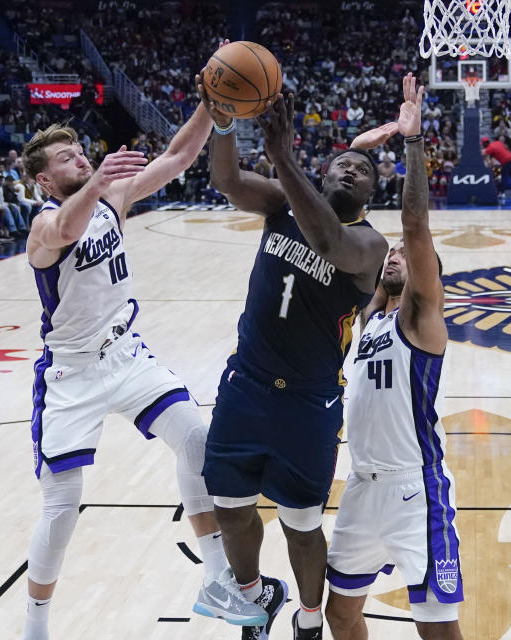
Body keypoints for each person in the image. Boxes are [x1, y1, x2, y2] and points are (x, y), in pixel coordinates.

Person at [18, 62, 267, 640]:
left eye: (79, 151)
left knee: (198, 440)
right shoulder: (44, 222)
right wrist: (100, 183)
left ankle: (215, 580)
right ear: (43, 182)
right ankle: (35, 626)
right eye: (64, 160)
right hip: (71, 374)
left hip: (126, 356)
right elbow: (63, 234)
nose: (78, 159)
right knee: (62, 504)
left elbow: (179, 157)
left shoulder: (113, 196)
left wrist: (213, 101)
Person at [197, 70, 391, 638]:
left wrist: (284, 156)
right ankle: (255, 601)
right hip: (246, 386)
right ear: (324, 172)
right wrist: (224, 120)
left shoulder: (369, 245)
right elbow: (227, 178)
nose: (351, 170)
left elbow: (328, 242)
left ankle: (309, 617)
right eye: (343, 164)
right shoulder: (282, 202)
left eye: (362, 171)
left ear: (369, 195)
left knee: (302, 524)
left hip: (309, 402)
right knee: (230, 506)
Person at [323, 74, 465, 640]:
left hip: (415, 489)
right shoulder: (369, 319)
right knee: (340, 612)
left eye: (408, 256)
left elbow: (414, 224)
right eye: (394, 254)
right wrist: (363, 146)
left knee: (435, 627)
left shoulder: (420, 319)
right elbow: (340, 203)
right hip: (360, 484)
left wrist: (410, 143)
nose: (396, 253)